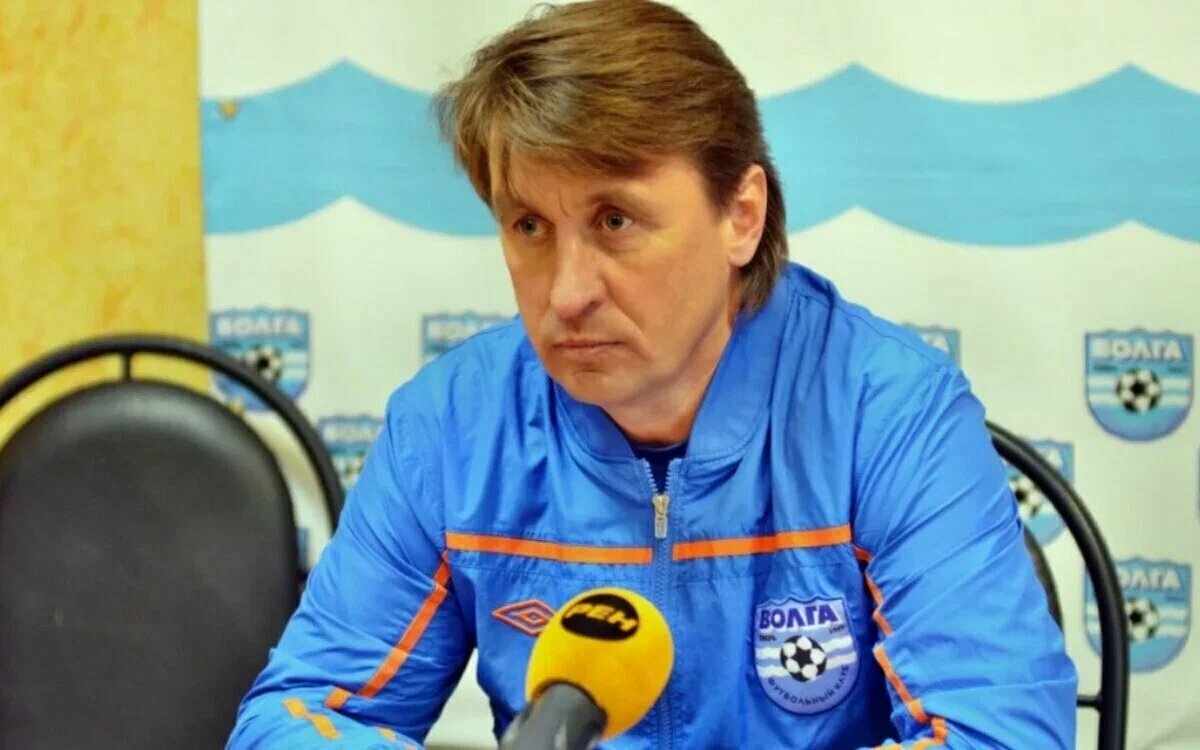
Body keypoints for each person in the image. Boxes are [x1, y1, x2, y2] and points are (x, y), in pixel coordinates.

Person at [227, 1, 1078, 747]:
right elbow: (298, 714)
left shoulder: (889, 413)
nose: (567, 293)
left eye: (616, 221)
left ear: (740, 215)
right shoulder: (451, 425)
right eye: (529, 226)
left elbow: (997, 735)